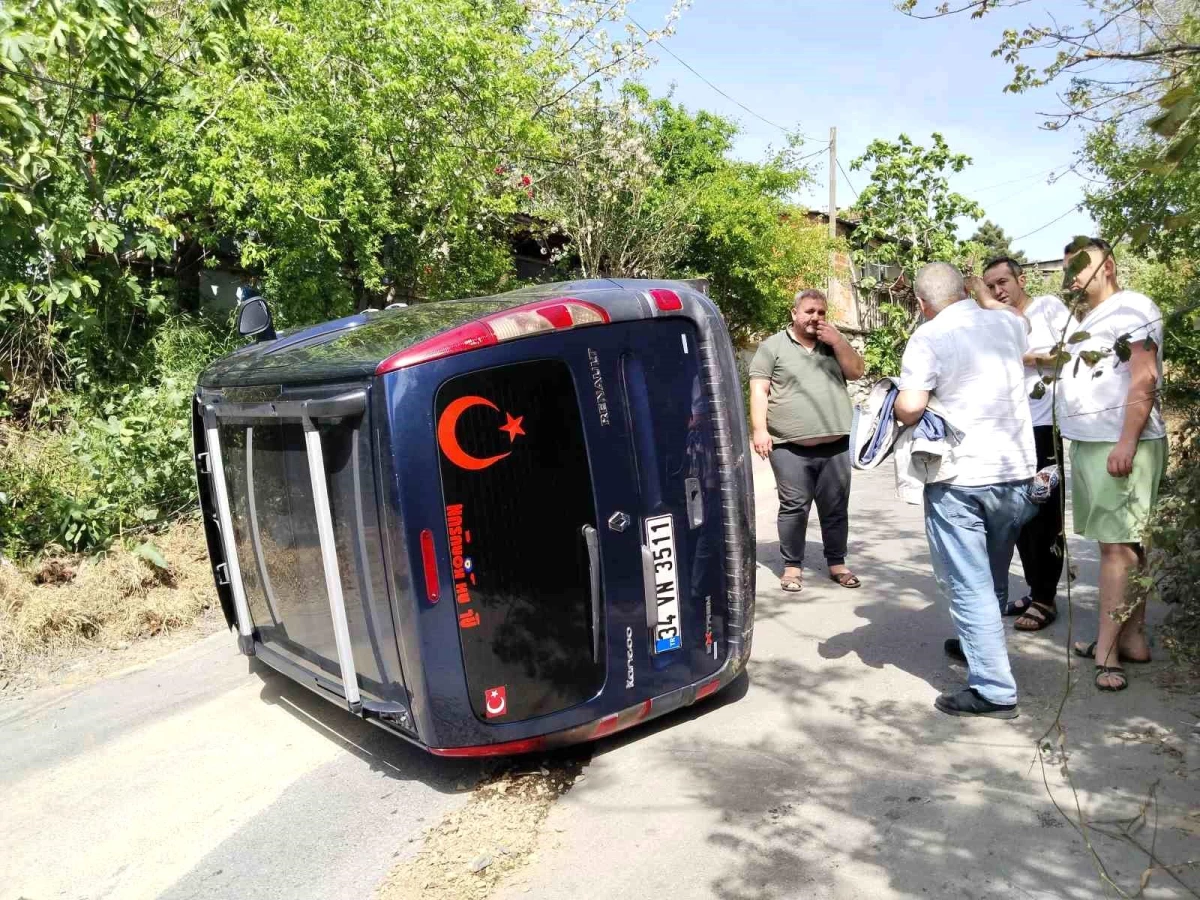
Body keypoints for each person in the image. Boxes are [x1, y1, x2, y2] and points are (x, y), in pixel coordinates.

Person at [894, 263, 1037, 719]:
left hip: (962, 479)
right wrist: (984, 294)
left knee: (968, 583)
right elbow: (1010, 316)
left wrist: (894, 403)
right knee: (993, 572)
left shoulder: (929, 336)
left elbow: (912, 407)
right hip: (1016, 474)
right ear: (967, 289)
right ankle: (981, 647)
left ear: (921, 304)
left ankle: (994, 688)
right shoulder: (1009, 323)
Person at [1056, 238, 1166, 692]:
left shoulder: (1132, 308)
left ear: (1109, 266)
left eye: (1080, 265)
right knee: (1125, 543)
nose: (1073, 276)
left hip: (1117, 444)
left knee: (1115, 549)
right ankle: (1132, 637)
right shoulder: (1094, 317)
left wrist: (1126, 440)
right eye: (1067, 269)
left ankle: (1105, 652)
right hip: (1092, 442)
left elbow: (1145, 375)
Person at [981, 256, 1079, 632]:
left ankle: (1046, 599)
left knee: (1044, 512)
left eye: (1003, 281)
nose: (998, 291)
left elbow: (1066, 355)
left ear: (1021, 279)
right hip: (1010, 431)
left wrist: (1017, 356)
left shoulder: (1047, 308)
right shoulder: (1000, 322)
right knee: (1016, 514)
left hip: (1043, 428)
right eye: (990, 286)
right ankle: (1036, 588)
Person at [750, 288, 866, 593]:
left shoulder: (833, 344)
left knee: (836, 507)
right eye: (810, 311)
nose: (816, 317)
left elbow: (856, 372)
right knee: (794, 508)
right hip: (788, 446)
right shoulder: (772, 346)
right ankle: (792, 566)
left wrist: (838, 341)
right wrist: (759, 430)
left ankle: (837, 563)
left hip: (835, 443)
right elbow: (759, 390)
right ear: (794, 314)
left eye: (822, 312)